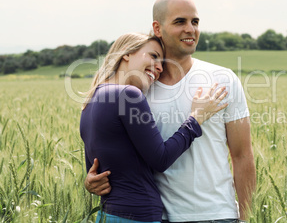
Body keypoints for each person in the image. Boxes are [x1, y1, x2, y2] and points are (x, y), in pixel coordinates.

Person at [85, 0, 256, 222]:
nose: (190, 29)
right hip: (158, 217)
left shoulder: (223, 79)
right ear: (158, 27)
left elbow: (242, 155)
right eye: (180, 22)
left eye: (195, 22)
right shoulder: (141, 87)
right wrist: (91, 180)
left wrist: (247, 217)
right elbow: (114, 149)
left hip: (216, 214)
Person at [80, 32, 229, 222]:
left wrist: (89, 183)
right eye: (153, 56)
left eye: (162, 63)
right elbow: (161, 158)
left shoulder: (91, 100)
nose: (159, 68)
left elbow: (94, 171)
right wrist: (196, 118)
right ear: (126, 53)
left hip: (107, 214)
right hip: (138, 215)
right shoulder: (129, 95)